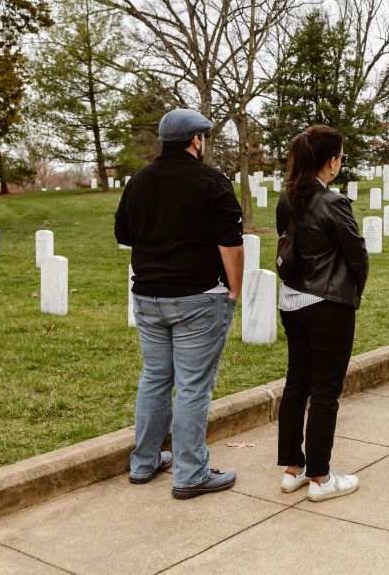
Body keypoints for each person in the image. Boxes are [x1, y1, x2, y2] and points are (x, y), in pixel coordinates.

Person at [114, 109, 244, 499]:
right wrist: (234, 290)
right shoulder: (211, 180)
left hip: (148, 296)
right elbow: (230, 243)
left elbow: (123, 233)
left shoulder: (139, 180)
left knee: (155, 378)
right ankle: (190, 473)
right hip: (197, 298)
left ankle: (145, 462)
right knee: (192, 387)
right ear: (196, 141)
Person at [275, 124, 369, 502]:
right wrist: (354, 292)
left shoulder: (287, 198)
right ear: (331, 161)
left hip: (292, 301)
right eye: (341, 157)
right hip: (327, 305)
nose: (340, 163)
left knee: (297, 383)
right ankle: (320, 476)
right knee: (326, 392)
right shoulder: (333, 202)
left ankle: (293, 468)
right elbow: (356, 255)